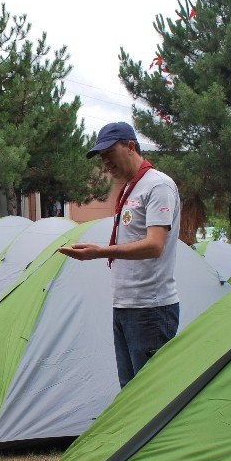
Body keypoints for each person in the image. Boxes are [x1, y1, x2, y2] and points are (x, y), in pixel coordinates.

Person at [59, 121, 181, 389]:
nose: (106, 163)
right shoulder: (129, 188)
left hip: (151, 308)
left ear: (130, 146)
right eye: (101, 158)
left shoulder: (158, 185)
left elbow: (154, 245)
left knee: (151, 394)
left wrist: (101, 252)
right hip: (125, 305)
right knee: (129, 392)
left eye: (109, 154)